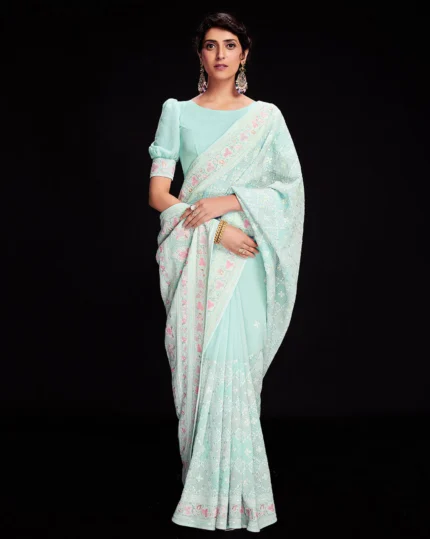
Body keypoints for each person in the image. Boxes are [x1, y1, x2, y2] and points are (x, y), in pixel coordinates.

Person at [148, 11, 305, 532]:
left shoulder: (266, 119)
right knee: (198, 368)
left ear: (244, 54)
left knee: (234, 367)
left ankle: (241, 498)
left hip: (244, 263)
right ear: (200, 54)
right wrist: (216, 228)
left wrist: (229, 202)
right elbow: (159, 194)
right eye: (211, 45)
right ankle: (201, 492)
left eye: (230, 45)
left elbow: (288, 190)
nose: (220, 54)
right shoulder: (177, 113)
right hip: (199, 254)